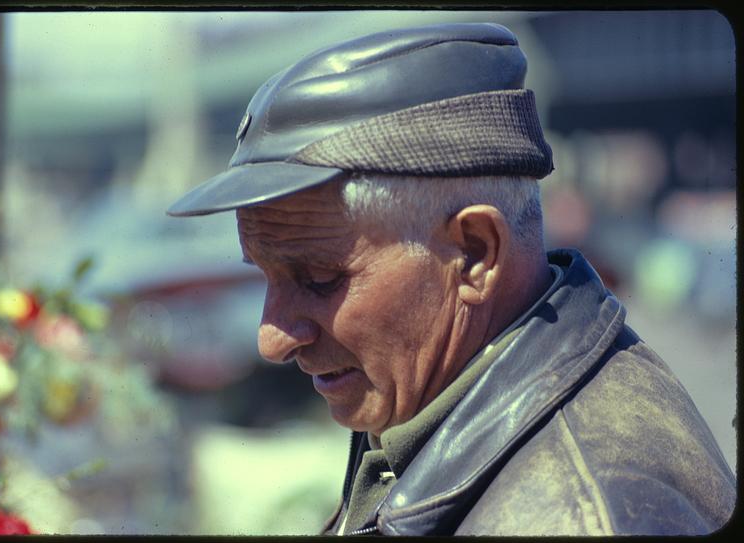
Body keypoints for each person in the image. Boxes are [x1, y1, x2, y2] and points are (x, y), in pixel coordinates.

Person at [167, 23, 735, 536]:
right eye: (265, 275)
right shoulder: (434, 402)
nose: (271, 340)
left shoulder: (573, 516)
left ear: (474, 254)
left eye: (318, 278)